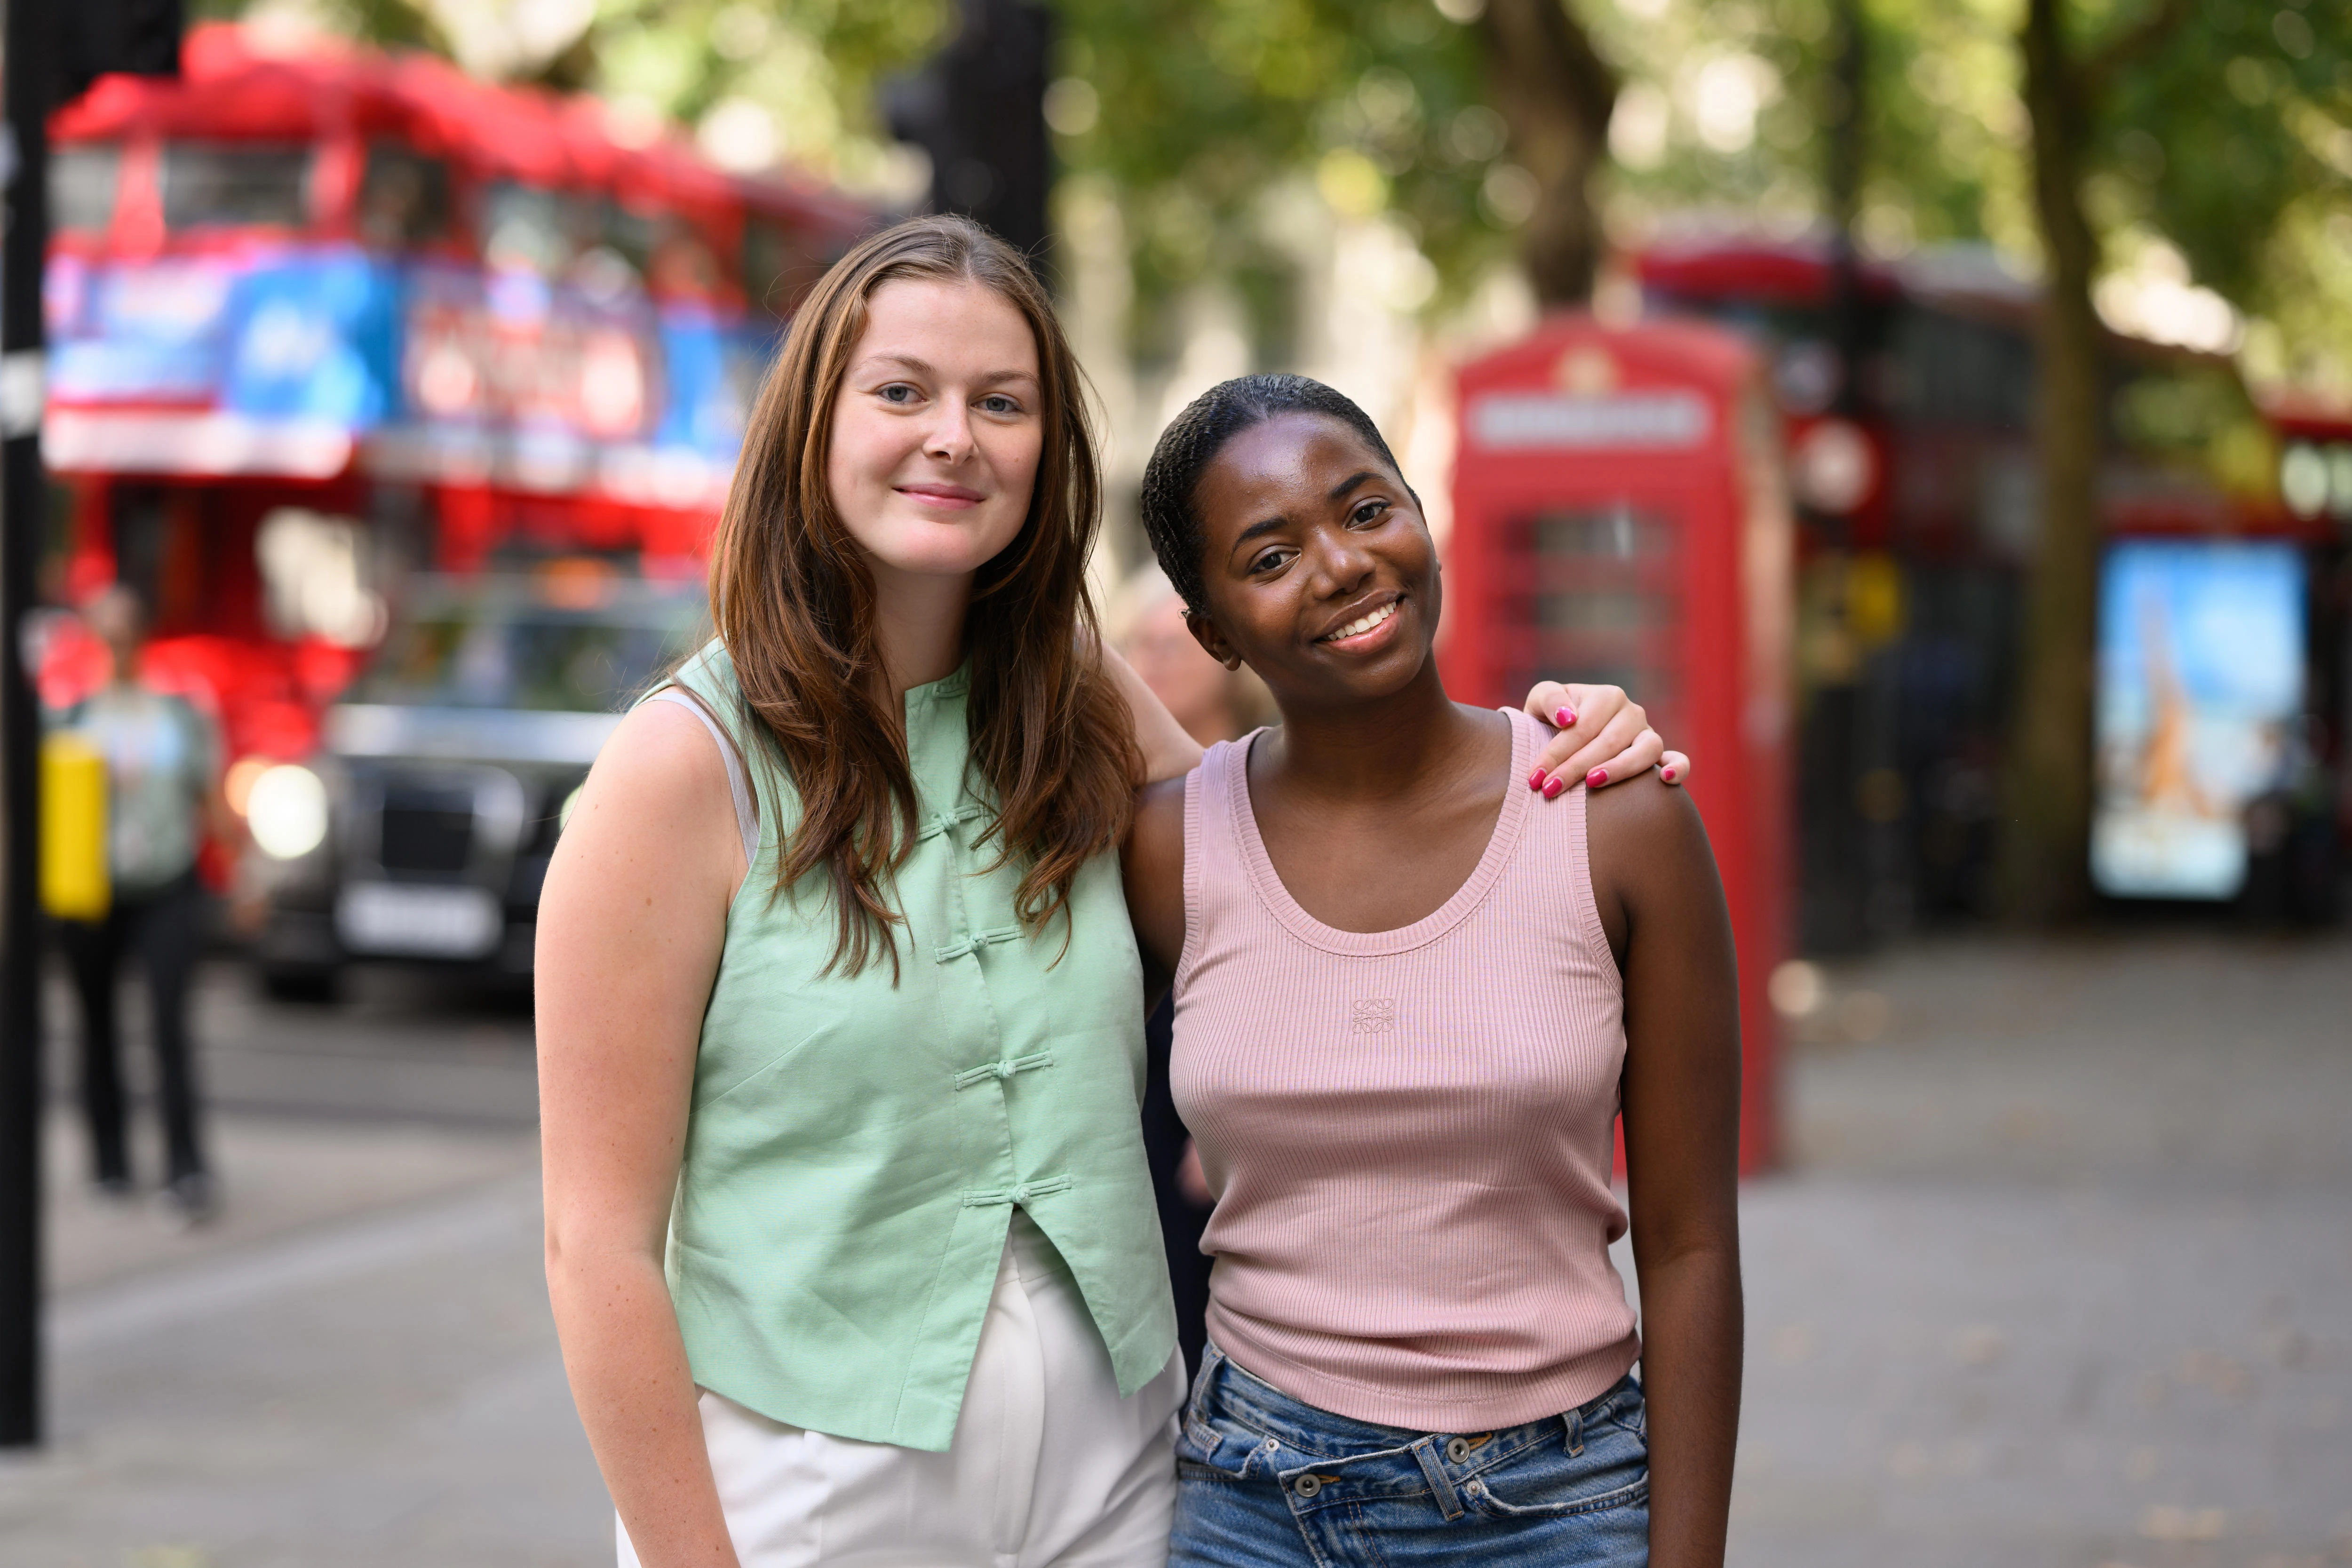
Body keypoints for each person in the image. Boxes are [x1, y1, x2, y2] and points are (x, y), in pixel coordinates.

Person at [536, 215, 1682, 1568]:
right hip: (816, 1484)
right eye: (901, 390)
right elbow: (595, 1243)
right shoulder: (675, 772)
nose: (954, 435)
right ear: (811, 426)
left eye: (1001, 402)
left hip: (1121, 1468)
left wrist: (1551, 745)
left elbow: (1297, 869)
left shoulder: (1070, 692)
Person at [1123, 374, 1742, 1567]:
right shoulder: (1166, 849)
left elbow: (1689, 1242)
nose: (1343, 565)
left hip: (1562, 1504)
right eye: (1268, 556)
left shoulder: (1611, 819)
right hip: (1250, 1500)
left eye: (1365, 511)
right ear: (1208, 631)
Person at [52, 585, 232, 1223]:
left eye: (127, 632)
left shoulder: (177, 716)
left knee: (168, 1024)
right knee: (95, 1026)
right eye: (108, 633)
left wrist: (245, 875)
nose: (118, 645)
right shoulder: (70, 717)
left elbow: (211, 797)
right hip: (93, 893)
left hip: (166, 880)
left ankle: (185, 1165)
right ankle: (110, 1162)